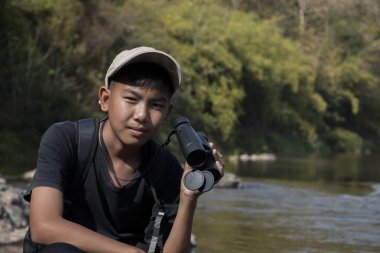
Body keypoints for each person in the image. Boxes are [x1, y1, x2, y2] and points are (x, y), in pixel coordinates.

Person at [23, 46, 225, 253]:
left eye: (156, 105)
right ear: (105, 99)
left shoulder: (166, 168)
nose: (141, 115)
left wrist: (188, 198)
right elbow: (43, 226)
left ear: (167, 113)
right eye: (131, 99)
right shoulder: (66, 140)